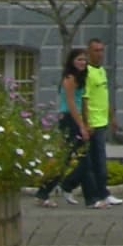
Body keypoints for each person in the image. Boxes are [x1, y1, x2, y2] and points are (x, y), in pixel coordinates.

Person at [33, 48, 91, 207]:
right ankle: (51, 190)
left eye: (84, 60)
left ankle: (52, 190)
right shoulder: (69, 78)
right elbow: (71, 104)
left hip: (76, 118)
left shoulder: (81, 78)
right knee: (68, 158)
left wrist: (86, 122)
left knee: (77, 158)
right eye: (79, 59)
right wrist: (81, 126)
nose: (82, 63)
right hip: (69, 119)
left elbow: (82, 102)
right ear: (72, 61)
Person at [82, 37, 123, 208]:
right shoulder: (87, 73)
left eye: (101, 50)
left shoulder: (101, 71)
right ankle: (101, 194)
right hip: (93, 123)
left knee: (98, 160)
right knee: (97, 160)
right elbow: (85, 99)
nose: (100, 54)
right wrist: (87, 123)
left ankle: (100, 192)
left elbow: (105, 97)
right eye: (96, 50)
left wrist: (112, 117)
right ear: (89, 52)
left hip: (102, 121)